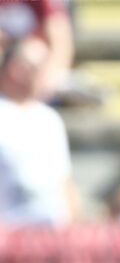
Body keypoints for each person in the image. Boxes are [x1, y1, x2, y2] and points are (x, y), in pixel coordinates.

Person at [0, 37, 75, 226]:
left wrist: (73, 226)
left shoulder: (50, 119)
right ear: (16, 69)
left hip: (50, 231)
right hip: (8, 231)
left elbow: (65, 181)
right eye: (40, 67)